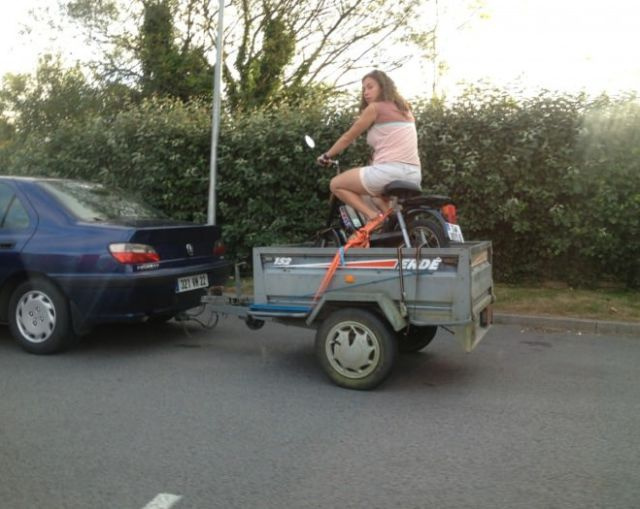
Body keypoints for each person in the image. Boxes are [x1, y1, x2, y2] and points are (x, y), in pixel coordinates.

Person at [317, 69, 421, 223]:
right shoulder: (405, 109)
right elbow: (393, 143)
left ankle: (373, 218)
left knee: (336, 184)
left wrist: (326, 156)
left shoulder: (375, 108)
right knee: (375, 195)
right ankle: (391, 222)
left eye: (370, 87)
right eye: (364, 88)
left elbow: (348, 137)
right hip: (414, 175)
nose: (366, 92)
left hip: (389, 172)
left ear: (382, 87)